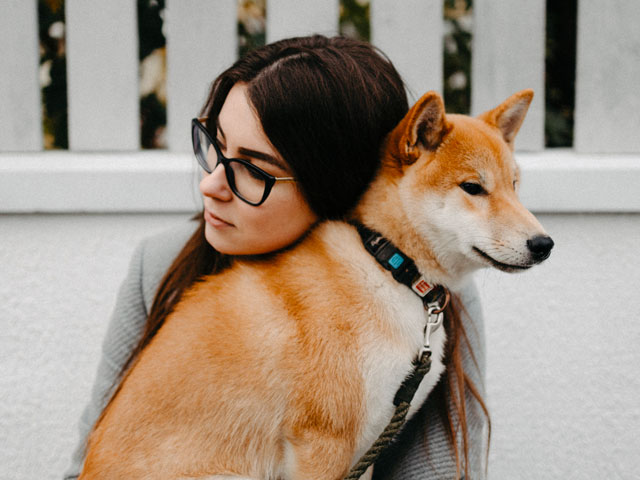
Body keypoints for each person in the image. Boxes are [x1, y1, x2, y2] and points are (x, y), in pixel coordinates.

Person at [64, 34, 488, 479]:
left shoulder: (424, 293)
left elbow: (443, 471)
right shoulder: (161, 264)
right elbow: (87, 468)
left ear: (335, 185)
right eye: (216, 143)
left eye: (254, 168)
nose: (211, 184)